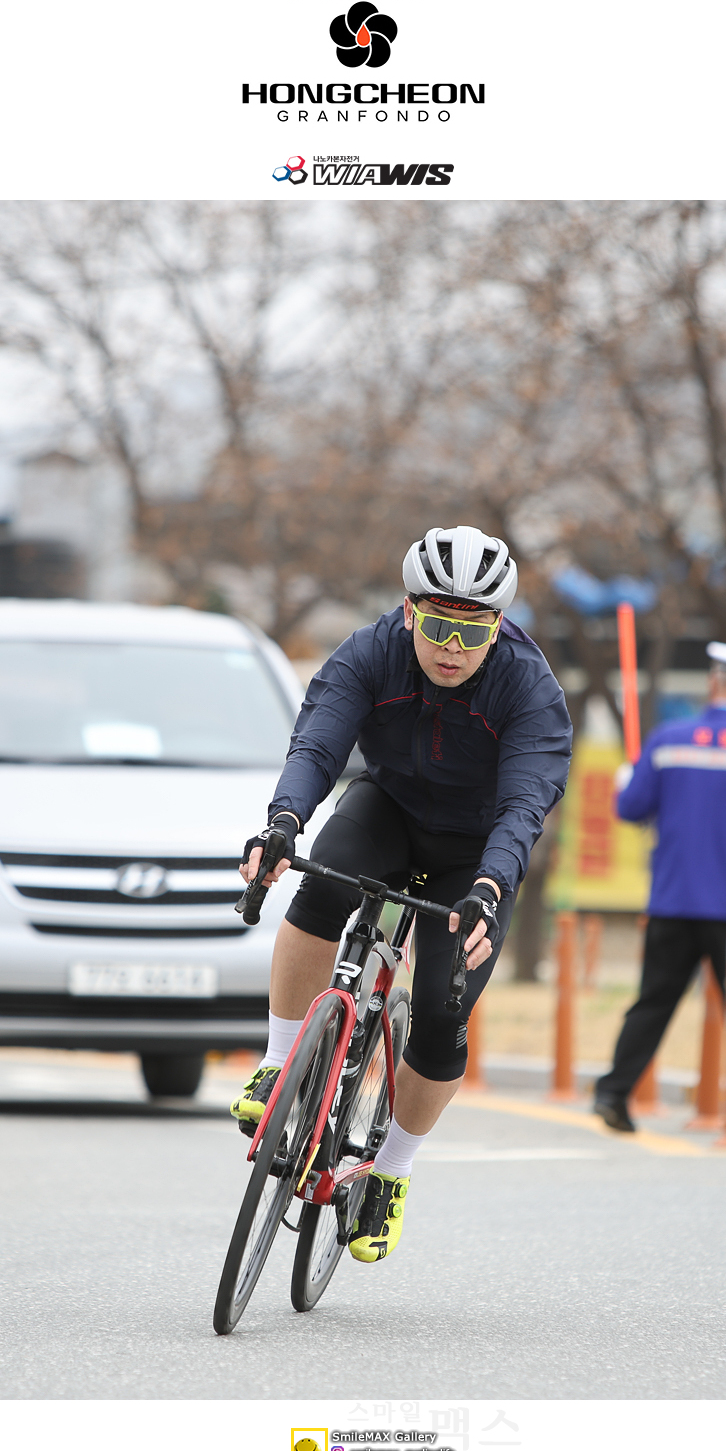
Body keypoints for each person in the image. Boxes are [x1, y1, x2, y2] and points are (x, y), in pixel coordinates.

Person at [236, 527, 573, 1263]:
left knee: (444, 1009)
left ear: (498, 627)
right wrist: (282, 824)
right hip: (387, 812)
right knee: (323, 881)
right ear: (410, 609)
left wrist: (491, 886)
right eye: (437, 624)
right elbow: (317, 745)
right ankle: (280, 1061)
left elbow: (525, 804)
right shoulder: (371, 652)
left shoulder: (528, 689)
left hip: (474, 856)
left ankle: (390, 1171)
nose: (452, 646)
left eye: (472, 630)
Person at [590, 642, 726, 1138]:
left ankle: (613, 1094)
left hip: (672, 900)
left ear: (713, 684)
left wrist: (626, 782)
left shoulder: (667, 741)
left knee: (653, 1002)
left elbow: (631, 809)